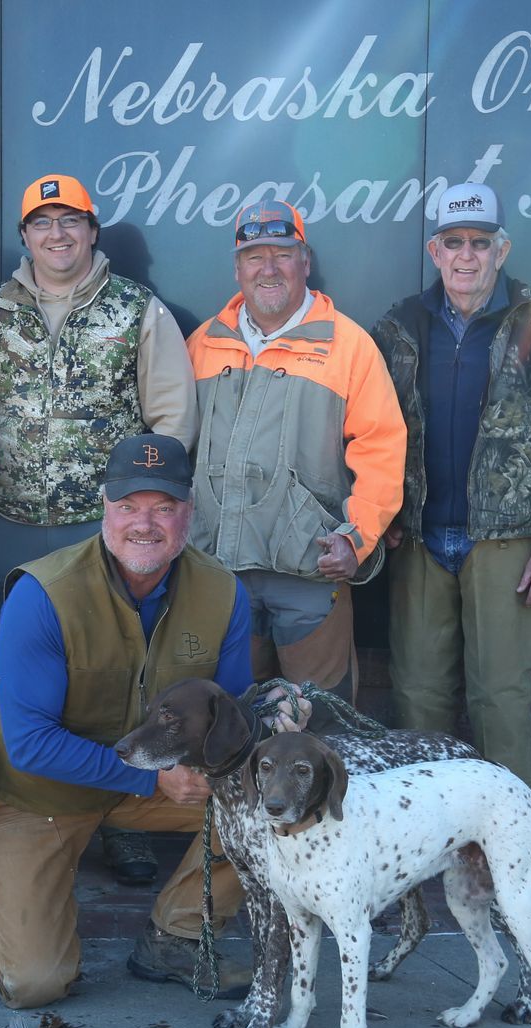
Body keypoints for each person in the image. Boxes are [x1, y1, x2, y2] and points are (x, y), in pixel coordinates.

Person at [0, 173, 198, 889]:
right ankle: (0, 807)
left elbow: (172, 420)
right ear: (24, 236)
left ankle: (120, 813)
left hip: (105, 534)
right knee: (1, 680)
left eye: (70, 221)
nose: (56, 234)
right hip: (7, 525)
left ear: (93, 231)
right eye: (41, 222)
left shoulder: (137, 309)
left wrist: (144, 523)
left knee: (117, 676)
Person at [0, 434, 255, 1009]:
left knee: (265, 803)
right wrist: (151, 778)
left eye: (163, 507)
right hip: (42, 793)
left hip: (153, 784)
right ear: (103, 507)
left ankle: (177, 938)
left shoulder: (224, 592)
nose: (144, 524)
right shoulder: (42, 593)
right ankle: (31, 903)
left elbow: (231, 716)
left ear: (189, 512)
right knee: (35, 984)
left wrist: (276, 714)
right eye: (128, 506)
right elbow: (28, 746)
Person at [372, 182, 531, 787]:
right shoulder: (399, 326)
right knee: (417, 702)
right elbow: (367, 432)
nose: (467, 255)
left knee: (500, 703)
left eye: (480, 242)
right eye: (455, 242)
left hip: (507, 544)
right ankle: (422, 855)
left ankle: (508, 862)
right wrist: (380, 517)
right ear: (435, 250)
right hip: (419, 539)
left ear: (502, 250)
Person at [185, 200, 406, 700]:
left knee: (319, 724)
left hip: (308, 572)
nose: (268, 268)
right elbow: (175, 443)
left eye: (282, 254)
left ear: (305, 262)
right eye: (254, 255)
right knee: (230, 722)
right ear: (237, 266)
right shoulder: (202, 343)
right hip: (219, 574)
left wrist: (358, 536)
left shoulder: (348, 346)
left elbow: (383, 449)